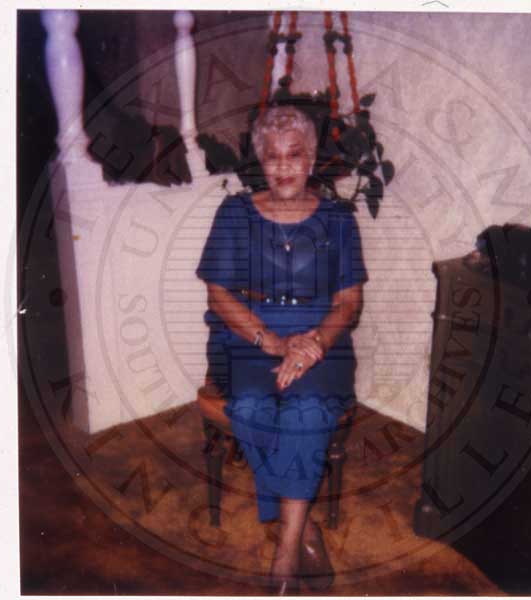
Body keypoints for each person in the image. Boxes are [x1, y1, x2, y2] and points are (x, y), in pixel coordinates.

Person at [196, 104, 368, 594]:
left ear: (311, 159)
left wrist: (314, 344)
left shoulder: (338, 219)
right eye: (273, 156)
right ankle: (303, 521)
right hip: (246, 336)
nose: (285, 166)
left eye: (295, 154)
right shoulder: (235, 213)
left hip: (321, 340)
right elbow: (218, 294)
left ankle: (286, 553)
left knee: (306, 412)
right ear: (261, 162)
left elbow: (348, 301)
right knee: (251, 407)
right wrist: (271, 341)